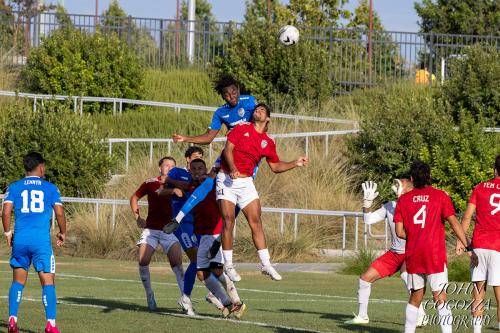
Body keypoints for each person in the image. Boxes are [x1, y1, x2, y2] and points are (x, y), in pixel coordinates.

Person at [217, 103, 308, 281]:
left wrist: (294, 163)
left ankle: (266, 264)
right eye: (256, 110)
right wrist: (233, 167)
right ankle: (228, 265)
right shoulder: (241, 128)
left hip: (246, 182)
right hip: (227, 179)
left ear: (268, 119)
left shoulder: (268, 141)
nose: (257, 112)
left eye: (262, 111)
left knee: (256, 221)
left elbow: (275, 166)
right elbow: (227, 150)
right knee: (228, 220)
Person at [394, 160, 476, 333]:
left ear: (411, 179)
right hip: (434, 253)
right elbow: (454, 223)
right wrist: (468, 246)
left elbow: (400, 232)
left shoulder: (403, 200)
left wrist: (417, 234)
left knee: (415, 296)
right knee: (440, 297)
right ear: (429, 177)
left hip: (414, 253)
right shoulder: (440, 196)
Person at [345, 179, 426, 326]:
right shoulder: (390, 206)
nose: (397, 188)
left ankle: (421, 314)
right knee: (365, 278)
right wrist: (367, 204)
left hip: (411, 251)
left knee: (406, 277)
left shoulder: (417, 205)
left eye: (401, 185)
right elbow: (368, 220)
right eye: (397, 185)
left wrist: (403, 198)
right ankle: (363, 316)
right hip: (394, 253)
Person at [2, 152, 67, 333]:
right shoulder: (50, 188)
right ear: (41, 167)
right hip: (41, 242)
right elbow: (60, 213)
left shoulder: (14, 187)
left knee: (18, 281)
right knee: (48, 282)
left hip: (20, 240)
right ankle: (51, 325)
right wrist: (63, 232)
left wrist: (8, 232)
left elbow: (5, 212)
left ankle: (12, 320)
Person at [188, 158, 246, 319]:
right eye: (194, 169)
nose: (198, 171)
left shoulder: (213, 183)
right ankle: (227, 303)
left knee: (217, 269)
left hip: (216, 233)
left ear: (206, 169)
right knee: (201, 274)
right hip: (203, 235)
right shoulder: (190, 185)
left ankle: (236, 302)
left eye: (201, 168)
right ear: (190, 171)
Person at [129, 156, 185, 312]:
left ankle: (185, 299)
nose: (169, 168)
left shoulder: (181, 185)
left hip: (170, 230)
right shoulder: (150, 183)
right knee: (142, 260)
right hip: (151, 230)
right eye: (166, 165)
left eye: (173, 166)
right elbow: (134, 198)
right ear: (160, 167)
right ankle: (149, 295)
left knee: (177, 263)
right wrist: (138, 217)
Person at [456, 155, 500, 333]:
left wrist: (461, 240)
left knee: (478, 290)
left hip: (479, 245)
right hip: (498, 247)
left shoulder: (480, 187)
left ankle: (477, 331)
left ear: (494, 169)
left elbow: (466, 216)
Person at [161, 146, 204, 315]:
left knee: (204, 262)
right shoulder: (177, 172)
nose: (198, 159)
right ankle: (188, 296)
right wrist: (174, 189)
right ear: (187, 159)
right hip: (182, 223)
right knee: (197, 259)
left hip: (199, 223)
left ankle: (192, 295)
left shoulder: (202, 178)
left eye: (200, 157)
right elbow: (161, 189)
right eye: (195, 156)